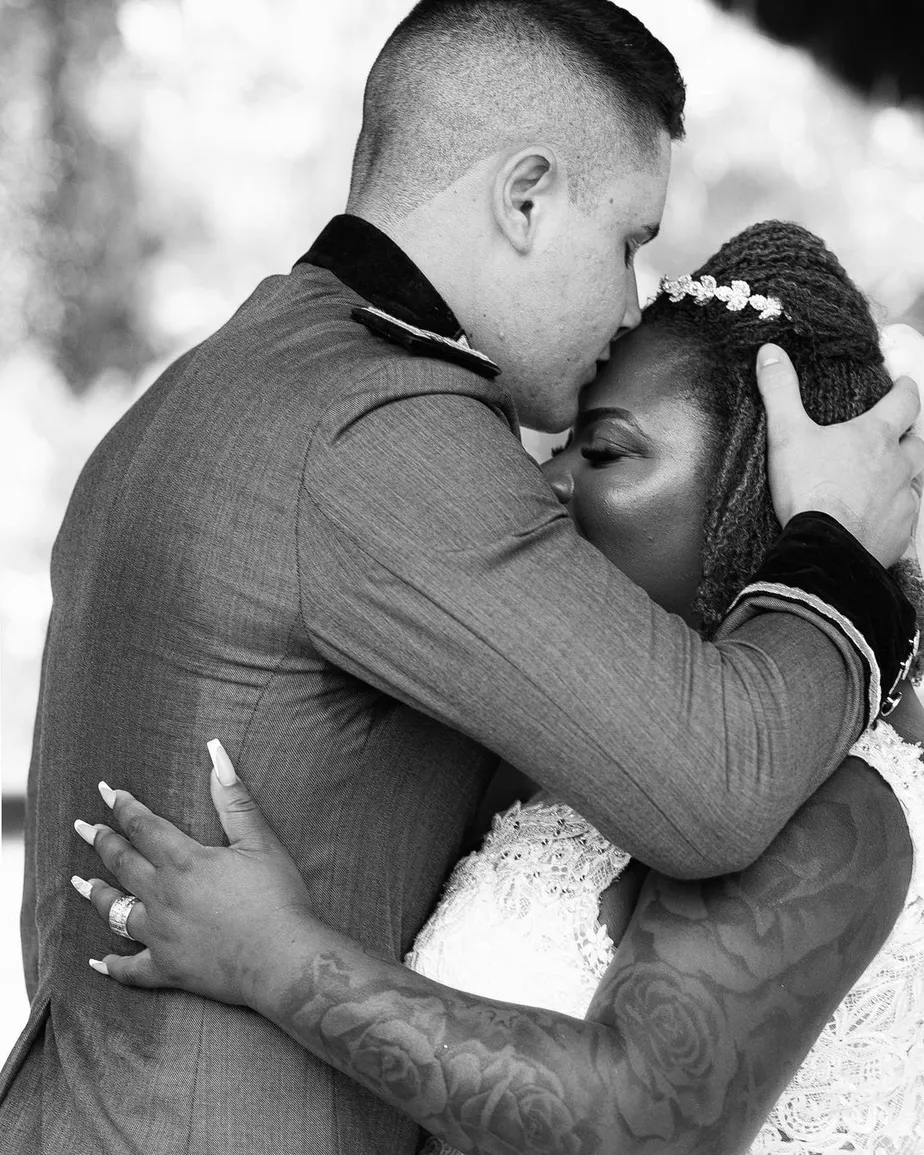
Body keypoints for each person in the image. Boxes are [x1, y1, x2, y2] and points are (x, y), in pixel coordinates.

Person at [2, 0, 921, 1151]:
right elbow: (717, 786)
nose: (629, 300)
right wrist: (839, 546)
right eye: (628, 242)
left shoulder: (204, 391)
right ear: (525, 198)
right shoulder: (379, 426)